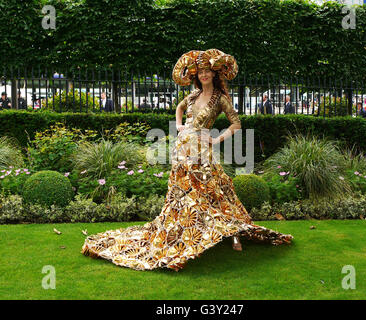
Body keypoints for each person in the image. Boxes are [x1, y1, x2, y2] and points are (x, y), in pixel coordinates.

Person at [81, 49, 293, 271]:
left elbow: (236, 124)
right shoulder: (192, 96)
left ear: (214, 74)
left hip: (202, 149)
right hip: (182, 149)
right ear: (196, 76)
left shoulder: (220, 99)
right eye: (200, 72)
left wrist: (217, 139)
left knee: (214, 191)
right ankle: (185, 231)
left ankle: (234, 233)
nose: (203, 75)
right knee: (183, 193)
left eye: (207, 72)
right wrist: (180, 125)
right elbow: (179, 108)